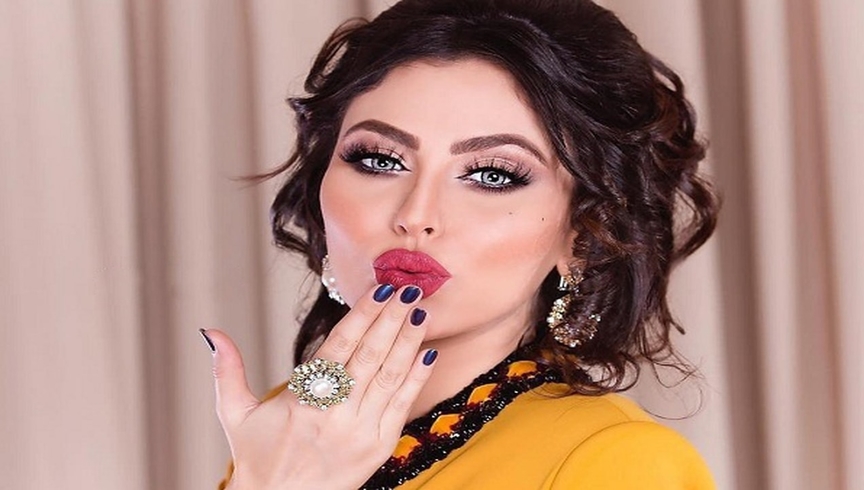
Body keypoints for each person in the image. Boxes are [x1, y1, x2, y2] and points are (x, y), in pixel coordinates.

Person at [199, 0, 720, 488]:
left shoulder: (618, 461)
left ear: (584, 231)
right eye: (379, 160)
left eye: (492, 175)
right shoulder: (289, 428)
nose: (416, 216)